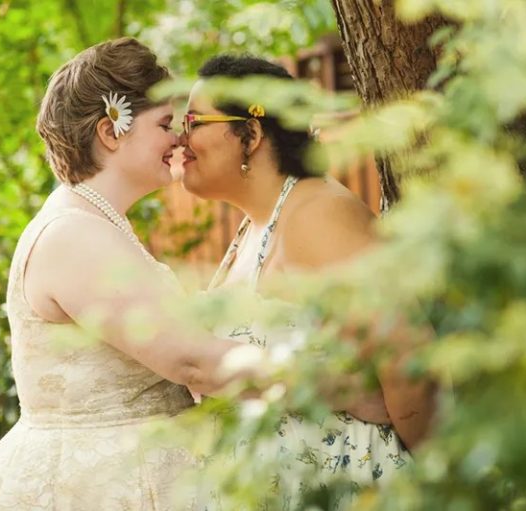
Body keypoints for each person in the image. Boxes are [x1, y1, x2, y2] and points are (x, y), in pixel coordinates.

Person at [0, 38, 261, 511]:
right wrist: (331, 381)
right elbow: (191, 362)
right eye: (165, 124)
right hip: (94, 489)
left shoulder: (93, 222)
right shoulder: (72, 235)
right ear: (111, 130)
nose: (180, 139)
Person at [180, 55, 435, 499]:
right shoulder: (252, 227)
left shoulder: (318, 214)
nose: (179, 140)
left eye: (193, 121)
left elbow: (407, 356)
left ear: (251, 134)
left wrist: (439, 479)